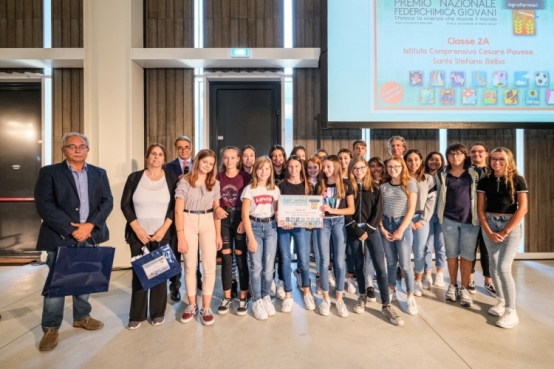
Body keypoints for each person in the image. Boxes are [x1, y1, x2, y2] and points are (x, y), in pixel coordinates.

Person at [34, 132, 114, 351]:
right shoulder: (49, 173)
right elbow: (45, 205)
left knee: (84, 280)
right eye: (72, 146)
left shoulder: (99, 173)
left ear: (88, 149)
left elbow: (107, 202)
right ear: (64, 150)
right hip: (60, 237)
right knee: (55, 285)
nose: (78, 149)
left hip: (90, 235)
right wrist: (72, 230)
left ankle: (82, 317)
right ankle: (51, 328)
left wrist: (90, 226)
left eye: (82, 146)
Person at [121, 144, 178, 329]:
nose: (156, 157)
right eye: (153, 154)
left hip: (162, 233)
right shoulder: (135, 177)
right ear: (147, 157)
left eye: (160, 154)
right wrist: (137, 228)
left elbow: (174, 208)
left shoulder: (170, 178)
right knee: (140, 273)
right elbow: (125, 205)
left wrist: (163, 229)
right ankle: (136, 314)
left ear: (164, 158)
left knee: (159, 273)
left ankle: (157, 313)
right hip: (139, 234)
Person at [346, 157, 404, 326]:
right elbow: (347, 212)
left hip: (371, 230)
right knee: (359, 265)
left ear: (367, 168)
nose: (359, 171)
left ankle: (386, 304)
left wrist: (369, 230)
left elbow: (377, 211)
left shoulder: (375, 187)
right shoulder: (348, 188)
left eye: (362, 167)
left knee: (380, 266)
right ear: (351, 170)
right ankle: (362, 295)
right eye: (355, 168)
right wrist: (356, 230)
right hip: (353, 230)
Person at [477, 147, 528, 329]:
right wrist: (489, 231)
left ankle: (511, 311)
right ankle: (500, 300)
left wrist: (505, 231)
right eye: (493, 159)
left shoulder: (517, 180)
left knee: (503, 267)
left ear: (508, 160)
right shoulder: (484, 181)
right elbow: (481, 209)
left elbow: (522, 209)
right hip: (490, 224)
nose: (496, 162)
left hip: (510, 226)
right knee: (492, 264)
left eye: (501, 159)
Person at [175, 149, 222, 326]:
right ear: (197, 161)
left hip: (208, 221)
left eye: (211, 164)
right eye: (205, 162)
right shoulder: (185, 181)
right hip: (188, 221)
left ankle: (206, 307)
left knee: (209, 266)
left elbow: (216, 210)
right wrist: (180, 236)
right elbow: (178, 210)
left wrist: (218, 235)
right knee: (190, 265)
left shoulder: (214, 183)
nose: (207, 166)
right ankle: (192, 305)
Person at [437, 143, 482, 308]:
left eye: (458, 154)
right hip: (448, 220)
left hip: (470, 222)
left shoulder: (475, 172)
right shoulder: (442, 173)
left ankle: (464, 288)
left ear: (465, 156)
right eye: (451, 154)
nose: (455, 157)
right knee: (451, 254)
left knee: (467, 256)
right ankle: (452, 285)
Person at [315, 155, 355, 317]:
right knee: (324, 261)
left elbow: (351, 209)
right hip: (323, 224)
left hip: (338, 222)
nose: (325, 169)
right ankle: (325, 297)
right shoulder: (319, 185)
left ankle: (339, 297)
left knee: (339, 260)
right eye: (323, 167)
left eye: (328, 166)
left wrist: (333, 210)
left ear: (336, 167)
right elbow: (313, 206)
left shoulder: (346, 185)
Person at [241, 156, 280, 320]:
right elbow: (244, 214)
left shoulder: (275, 189)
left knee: (269, 267)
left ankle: (265, 297)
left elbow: (278, 212)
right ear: (255, 170)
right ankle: (256, 300)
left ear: (271, 171)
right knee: (256, 267)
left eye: (267, 169)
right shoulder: (250, 189)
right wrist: (250, 238)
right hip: (255, 228)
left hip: (271, 228)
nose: (263, 172)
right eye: (260, 168)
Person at [379, 156, 418, 315]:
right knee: (390, 262)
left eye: (396, 166)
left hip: (402, 224)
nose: (393, 169)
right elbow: (379, 210)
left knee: (405, 264)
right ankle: (392, 289)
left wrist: (401, 229)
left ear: (402, 167)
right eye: (390, 167)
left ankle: (410, 295)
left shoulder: (409, 185)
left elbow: (411, 209)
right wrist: (382, 227)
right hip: (386, 224)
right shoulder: (383, 187)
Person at [215, 146, 251, 316]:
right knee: (226, 258)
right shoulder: (217, 177)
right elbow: (213, 198)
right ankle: (227, 296)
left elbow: (250, 201)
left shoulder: (246, 177)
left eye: (232, 157)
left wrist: (245, 220)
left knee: (240, 256)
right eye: (225, 157)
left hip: (240, 218)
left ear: (238, 159)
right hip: (223, 219)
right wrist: (216, 209)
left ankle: (243, 296)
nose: (228, 161)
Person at [277, 155, 315, 312]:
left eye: (296, 166)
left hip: (302, 228)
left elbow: (313, 208)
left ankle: (306, 292)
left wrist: (312, 220)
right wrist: (281, 219)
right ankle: (288, 294)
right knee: (285, 260)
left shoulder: (309, 186)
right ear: (287, 168)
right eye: (290, 167)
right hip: (284, 227)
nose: (293, 170)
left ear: (301, 167)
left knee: (304, 260)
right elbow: (276, 208)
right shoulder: (280, 186)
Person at [164, 135, 194, 301]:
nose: (183, 150)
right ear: (177, 149)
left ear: (191, 148)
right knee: (174, 250)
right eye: (180, 147)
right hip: (175, 213)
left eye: (186, 147)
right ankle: (174, 285)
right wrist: (178, 181)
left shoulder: (198, 164)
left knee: (193, 251)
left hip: (194, 213)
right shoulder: (168, 167)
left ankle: (197, 280)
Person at [404, 149, 437, 297]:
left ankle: (418, 280)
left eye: (416, 159)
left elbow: (431, 201)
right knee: (404, 251)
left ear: (421, 160)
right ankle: (407, 278)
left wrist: (423, 221)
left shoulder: (429, 179)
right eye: (410, 160)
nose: (413, 163)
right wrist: (407, 220)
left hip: (422, 219)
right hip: (404, 219)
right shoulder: (401, 178)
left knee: (419, 251)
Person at [469, 142, 496, 297]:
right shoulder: (466, 171)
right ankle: (470, 279)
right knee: (470, 250)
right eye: (473, 151)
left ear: (487, 153)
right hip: (470, 217)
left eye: (480, 151)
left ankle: (488, 281)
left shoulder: (494, 171)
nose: (477, 154)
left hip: (490, 217)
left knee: (487, 251)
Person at [422, 152, 447, 287]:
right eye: (431, 159)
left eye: (437, 160)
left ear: (442, 161)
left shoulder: (445, 175)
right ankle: (427, 274)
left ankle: (440, 274)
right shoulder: (423, 176)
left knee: (440, 245)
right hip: (427, 215)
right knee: (427, 245)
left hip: (442, 214)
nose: (434, 162)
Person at [269, 145, 287, 297]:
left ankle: (281, 281)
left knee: (282, 252)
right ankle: (271, 281)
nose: (277, 158)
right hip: (268, 218)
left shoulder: (289, 173)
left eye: (280, 155)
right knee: (271, 252)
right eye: (274, 155)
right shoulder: (266, 173)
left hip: (284, 218)